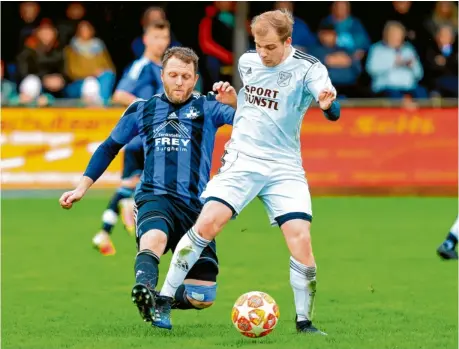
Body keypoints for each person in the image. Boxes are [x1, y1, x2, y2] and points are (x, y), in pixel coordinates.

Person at [156, 9, 340, 334]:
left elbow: (331, 108)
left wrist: (328, 106)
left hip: (284, 166)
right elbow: (254, 108)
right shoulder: (247, 62)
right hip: (244, 158)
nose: (263, 53)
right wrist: (233, 101)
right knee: (209, 222)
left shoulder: (309, 69)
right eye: (259, 45)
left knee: (301, 240)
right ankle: (164, 299)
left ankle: (304, 322)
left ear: (287, 41)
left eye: (270, 47)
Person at [59, 47, 235, 324]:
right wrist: (82, 187)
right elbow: (109, 147)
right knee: (154, 238)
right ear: (162, 75)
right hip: (154, 196)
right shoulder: (143, 109)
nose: (180, 81)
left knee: (202, 297)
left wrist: (236, 104)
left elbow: (251, 125)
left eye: (186, 76)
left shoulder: (209, 107)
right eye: (174, 74)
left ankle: (158, 301)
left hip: (196, 207)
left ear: (195, 78)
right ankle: (145, 289)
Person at [92, 20, 171, 255]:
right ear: (146, 40)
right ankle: (141, 225)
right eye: (157, 37)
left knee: (127, 186)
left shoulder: (162, 68)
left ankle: (104, 233)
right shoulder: (141, 67)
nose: (161, 42)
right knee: (153, 188)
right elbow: (119, 94)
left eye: (165, 38)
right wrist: (150, 107)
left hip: (149, 140)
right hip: (142, 139)